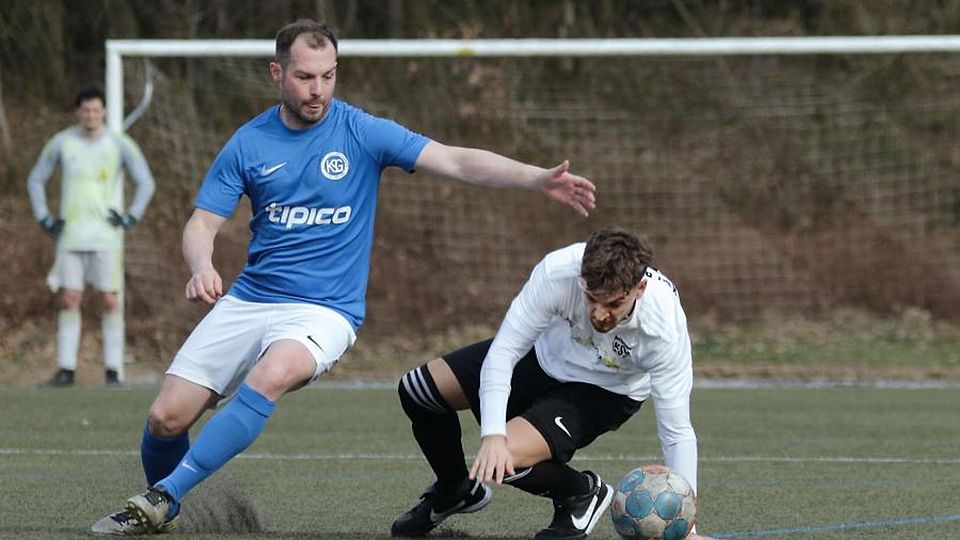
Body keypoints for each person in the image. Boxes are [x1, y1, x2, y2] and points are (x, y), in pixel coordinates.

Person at [90, 18, 596, 536]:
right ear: (277, 73)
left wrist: (536, 178)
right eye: (306, 77)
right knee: (166, 419)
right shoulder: (248, 143)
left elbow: (455, 160)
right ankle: (162, 513)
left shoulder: (360, 131)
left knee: (271, 374)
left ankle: (162, 496)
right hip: (251, 298)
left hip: (325, 310)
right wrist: (202, 266)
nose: (318, 90)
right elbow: (202, 222)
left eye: (329, 76)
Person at [391, 226, 711, 540]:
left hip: (604, 390)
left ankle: (581, 493)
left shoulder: (663, 329)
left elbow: (677, 431)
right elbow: (504, 353)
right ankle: (455, 492)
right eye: (591, 299)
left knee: (505, 460)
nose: (600, 314)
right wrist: (491, 434)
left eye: (613, 304)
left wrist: (688, 530)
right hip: (542, 356)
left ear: (638, 289)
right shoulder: (558, 273)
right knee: (419, 391)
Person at [27, 85, 156, 388]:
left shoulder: (119, 144)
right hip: (71, 235)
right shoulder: (61, 143)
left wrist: (131, 215)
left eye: (96, 110)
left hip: (106, 237)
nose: (90, 115)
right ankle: (66, 370)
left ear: (104, 112)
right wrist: (43, 217)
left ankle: (112, 371)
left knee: (110, 301)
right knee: (70, 298)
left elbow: (146, 182)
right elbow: (35, 179)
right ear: (78, 112)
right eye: (85, 110)